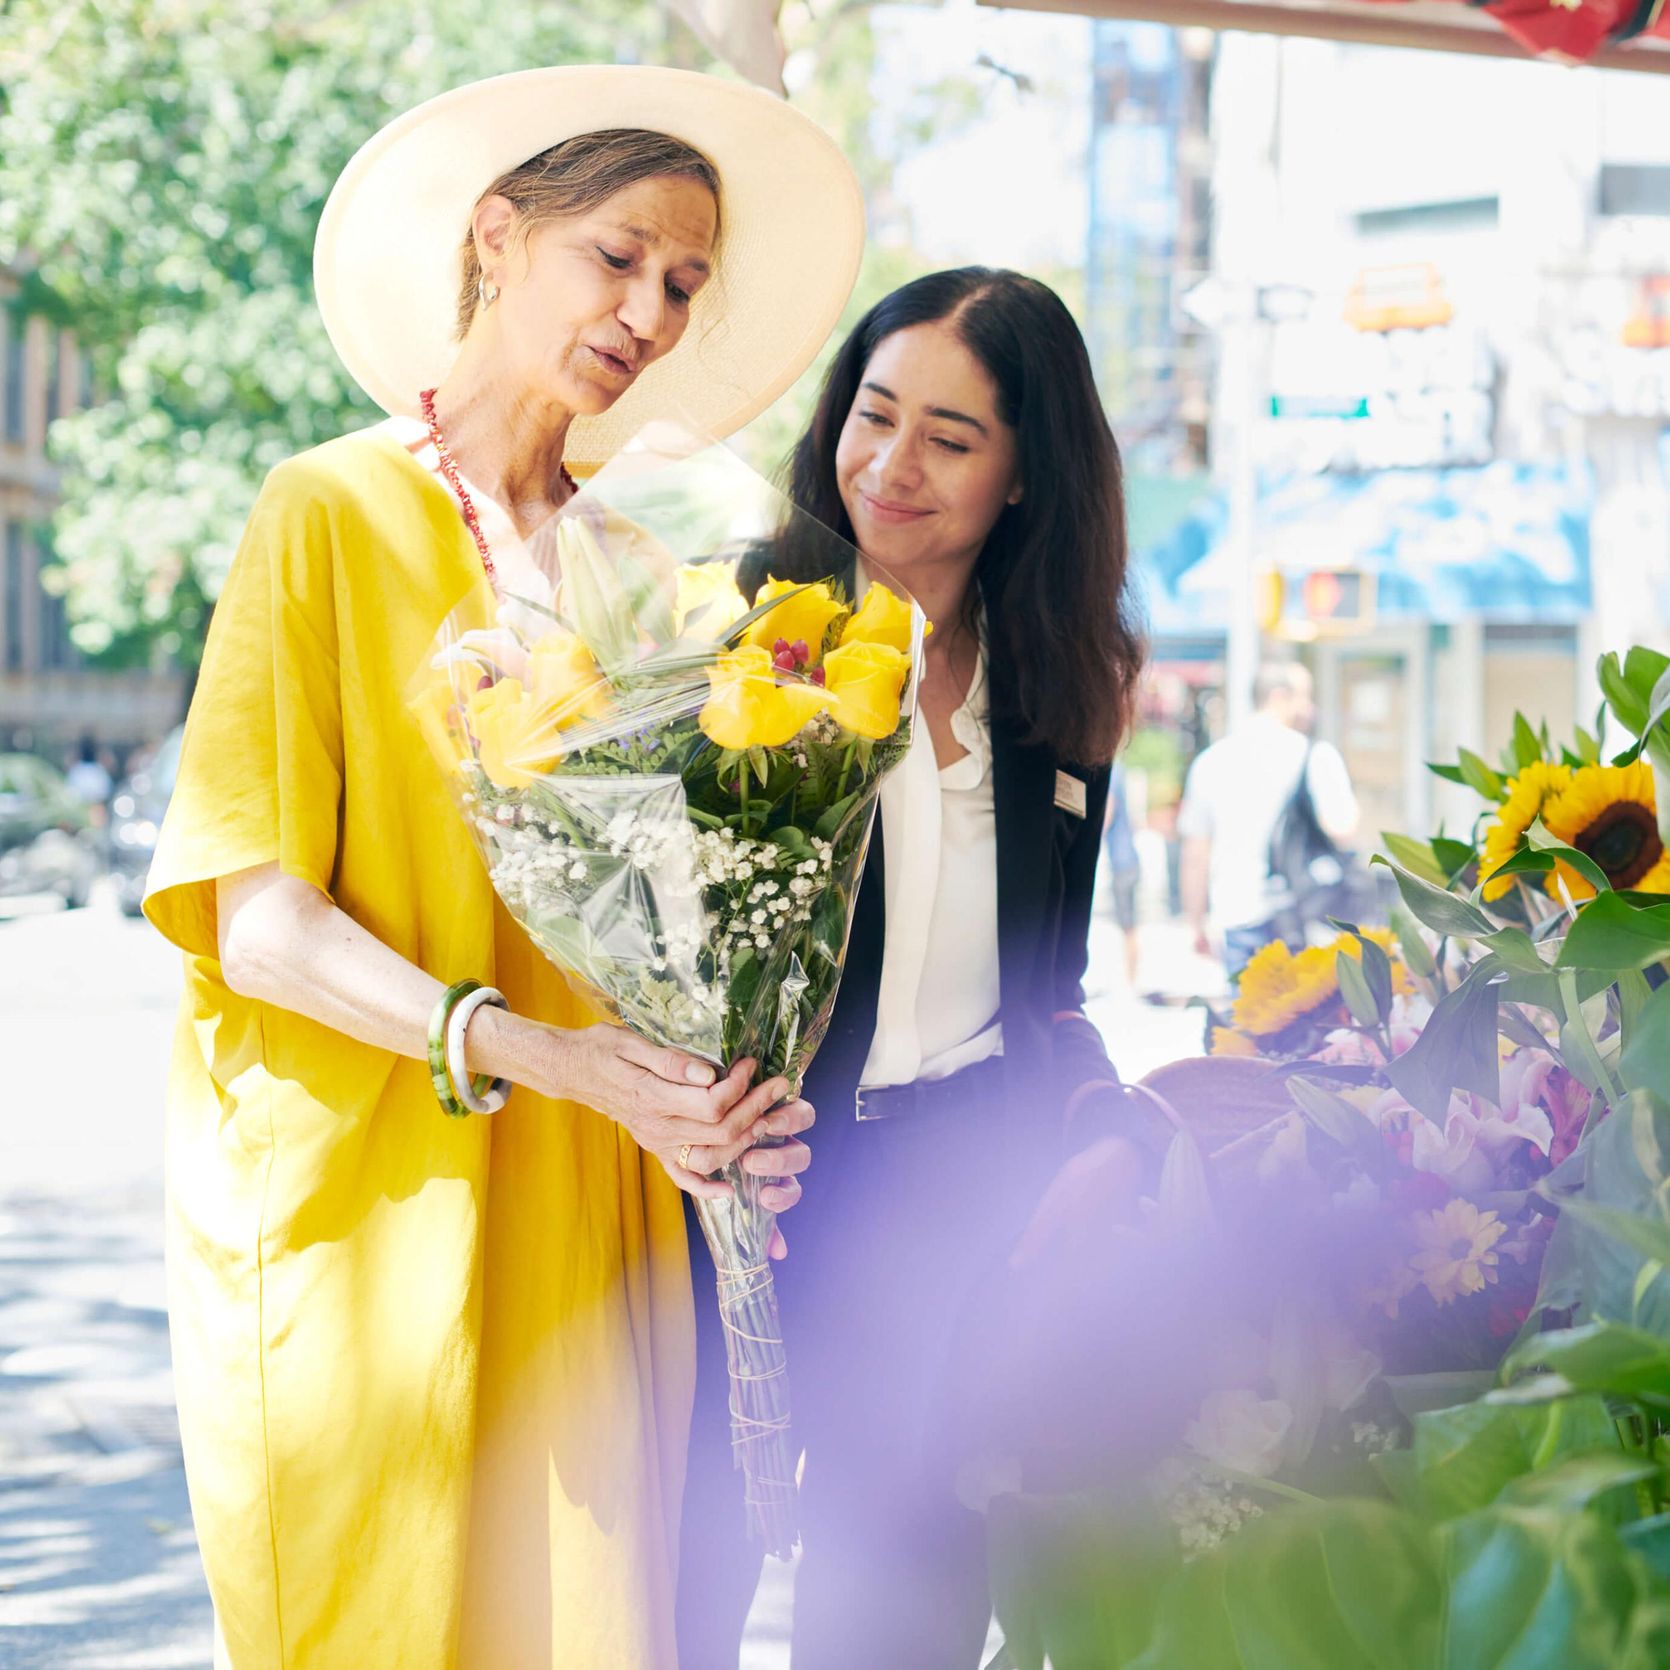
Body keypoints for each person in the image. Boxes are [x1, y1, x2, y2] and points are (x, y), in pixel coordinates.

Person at [142, 66, 863, 1669]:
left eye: (682, 282)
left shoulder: (658, 579)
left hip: (596, 1233)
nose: (651, 311)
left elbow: (697, 923)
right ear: (494, 236)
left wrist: (713, 1106)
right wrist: (543, 1055)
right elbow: (252, 919)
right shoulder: (323, 509)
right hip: (372, 1229)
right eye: (617, 255)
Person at [675, 268, 1159, 1669]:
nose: (891, 466)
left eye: (950, 439)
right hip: (751, 1193)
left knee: (901, 1616)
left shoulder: (1071, 684)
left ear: (1025, 475)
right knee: (678, 1590)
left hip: (954, 1210)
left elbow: (1043, 989)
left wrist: (1104, 1131)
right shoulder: (734, 635)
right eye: (873, 414)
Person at [1178, 660, 1358, 977]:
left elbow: (1195, 853)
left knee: (1247, 1019)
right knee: (1308, 1020)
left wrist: (1196, 923)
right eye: (1304, 696)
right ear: (1278, 697)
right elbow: (1343, 828)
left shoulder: (1211, 762)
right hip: (1302, 917)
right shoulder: (1315, 755)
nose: (1310, 707)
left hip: (1236, 917)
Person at [1102, 758, 1143, 988]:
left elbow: (1106, 811)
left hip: (1122, 861)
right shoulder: (1119, 767)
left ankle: (1130, 982)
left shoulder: (1111, 769)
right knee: (1127, 922)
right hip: (1126, 859)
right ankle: (1130, 981)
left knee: (1127, 923)